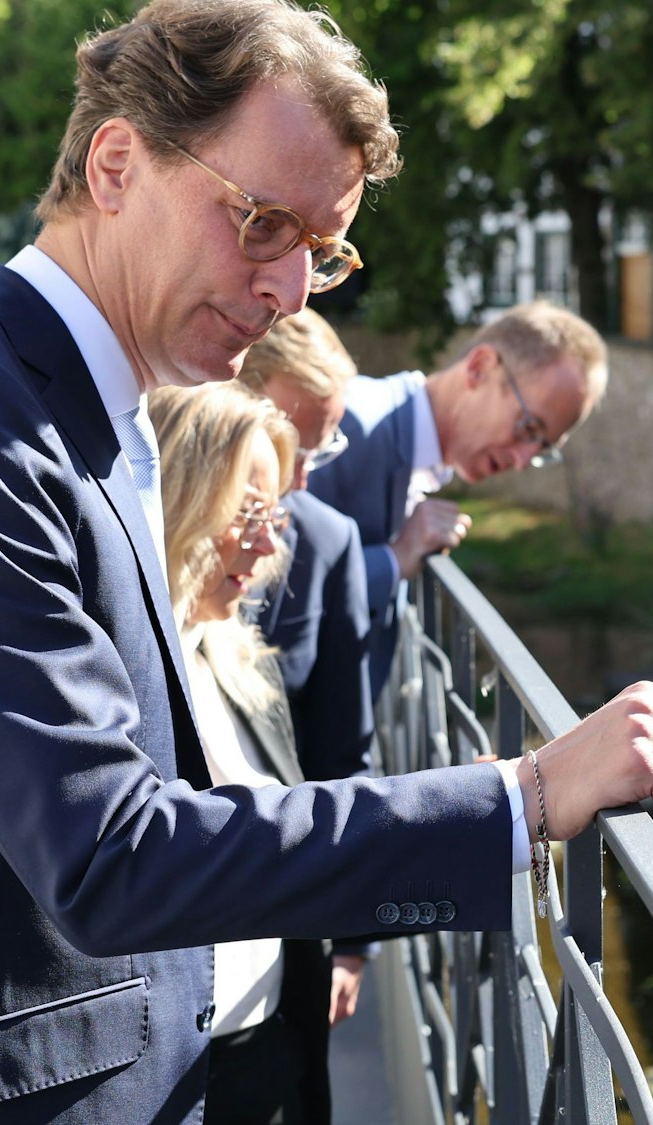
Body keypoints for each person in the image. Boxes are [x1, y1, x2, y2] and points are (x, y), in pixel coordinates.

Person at [0, 2, 653, 1121]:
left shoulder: (93, 405)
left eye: (321, 252)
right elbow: (109, 853)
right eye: (263, 225)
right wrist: (527, 793)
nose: (289, 292)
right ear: (116, 162)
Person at [149, 383, 331, 1124]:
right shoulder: (112, 685)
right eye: (246, 514)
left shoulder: (241, 660)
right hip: (174, 1083)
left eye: (274, 515)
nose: (267, 546)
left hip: (266, 1053)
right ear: (173, 497)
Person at [308, 301, 607, 687]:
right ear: (480, 367)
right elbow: (274, 593)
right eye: (529, 427)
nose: (522, 459)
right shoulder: (349, 429)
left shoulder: (403, 443)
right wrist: (395, 559)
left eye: (543, 448)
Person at [235, 308, 378, 1032]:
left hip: (283, 916)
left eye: (317, 456)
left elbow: (341, 749)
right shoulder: (145, 522)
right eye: (289, 444)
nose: (297, 483)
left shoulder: (326, 543)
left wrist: (350, 942)